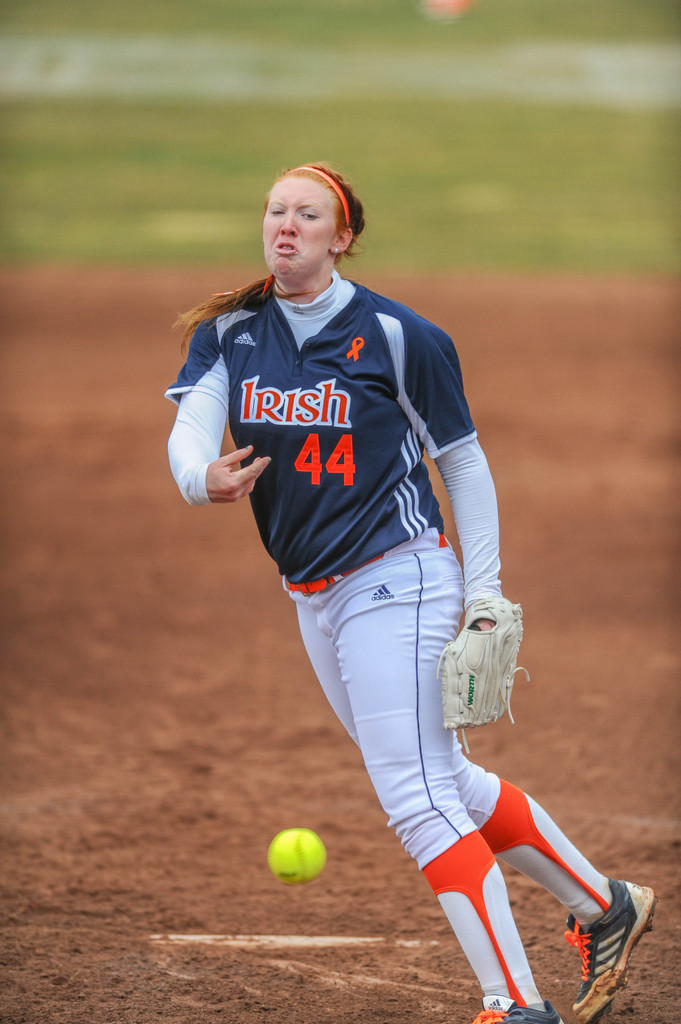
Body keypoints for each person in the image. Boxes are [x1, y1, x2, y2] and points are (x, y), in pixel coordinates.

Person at [165, 163, 657, 1024]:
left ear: (341, 236)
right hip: (313, 593)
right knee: (443, 780)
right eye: (275, 212)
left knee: (415, 800)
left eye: (307, 215)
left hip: (401, 578)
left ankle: (514, 1005)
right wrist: (196, 477)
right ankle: (603, 905)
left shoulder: (398, 335)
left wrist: (484, 594)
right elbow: (191, 426)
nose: (285, 227)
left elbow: (461, 462)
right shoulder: (233, 330)